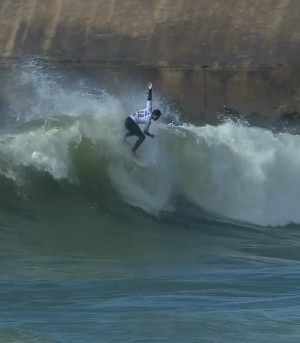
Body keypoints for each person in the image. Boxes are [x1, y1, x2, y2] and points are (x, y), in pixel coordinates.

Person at [124, 82, 161, 156]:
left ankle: (124, 137)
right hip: (131, 123)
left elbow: (149, 99)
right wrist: (151, 135)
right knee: (142, 137)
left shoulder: (149, 109)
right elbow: (145, 132)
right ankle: (133, 150)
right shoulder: (148, 121)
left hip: (127, 120)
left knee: (136, 131)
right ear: (154, 115)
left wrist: (150, 89)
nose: (157, 119)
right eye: (157, 117)